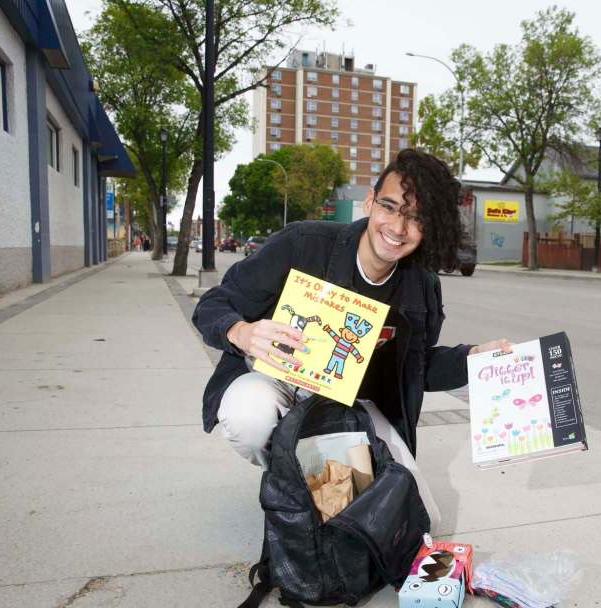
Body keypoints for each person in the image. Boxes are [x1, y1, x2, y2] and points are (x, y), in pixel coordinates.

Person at [192, 149, 509, 468]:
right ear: (370, 201)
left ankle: (326, 470)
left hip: (353, 401)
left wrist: (473, 358)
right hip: (278, 382)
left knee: (411, 514)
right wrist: (241, 332)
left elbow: (417, 367)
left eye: (415, 217)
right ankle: (290, 476)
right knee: (249, 416)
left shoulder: (421, 285)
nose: (398, 228)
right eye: (390, 207)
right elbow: (214, 305)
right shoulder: (303, 243)